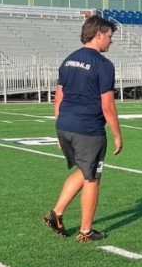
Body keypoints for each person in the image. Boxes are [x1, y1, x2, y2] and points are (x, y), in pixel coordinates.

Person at [43, 15, 123, 243]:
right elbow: (107, 105)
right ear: (98, 34)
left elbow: (58, 99)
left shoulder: (68, 60)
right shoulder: (104, 65)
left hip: (65, 124)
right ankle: (86, 231)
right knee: (92, 178)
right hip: (88, 128)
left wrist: (60, 128)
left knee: (82, 169)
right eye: (109, 36)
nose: (110, 41)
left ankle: (56, 213)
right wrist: (118, 135)